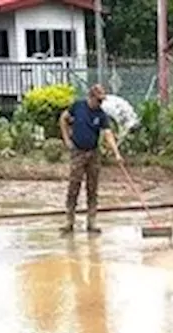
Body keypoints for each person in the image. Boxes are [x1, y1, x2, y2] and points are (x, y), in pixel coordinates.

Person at [59, 83, 123, 235]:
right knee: (74, 186)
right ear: (91, 97)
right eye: (98, 100)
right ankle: (69, 221)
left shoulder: (101, 114)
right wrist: (66, 139)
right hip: (78, 152)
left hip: (93, 153)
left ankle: (92, 221)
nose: (100, 103)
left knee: (92, 188)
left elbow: (108, 134)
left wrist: (117, 153)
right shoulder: (78, 106)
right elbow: (63, 118)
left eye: (102, 100)